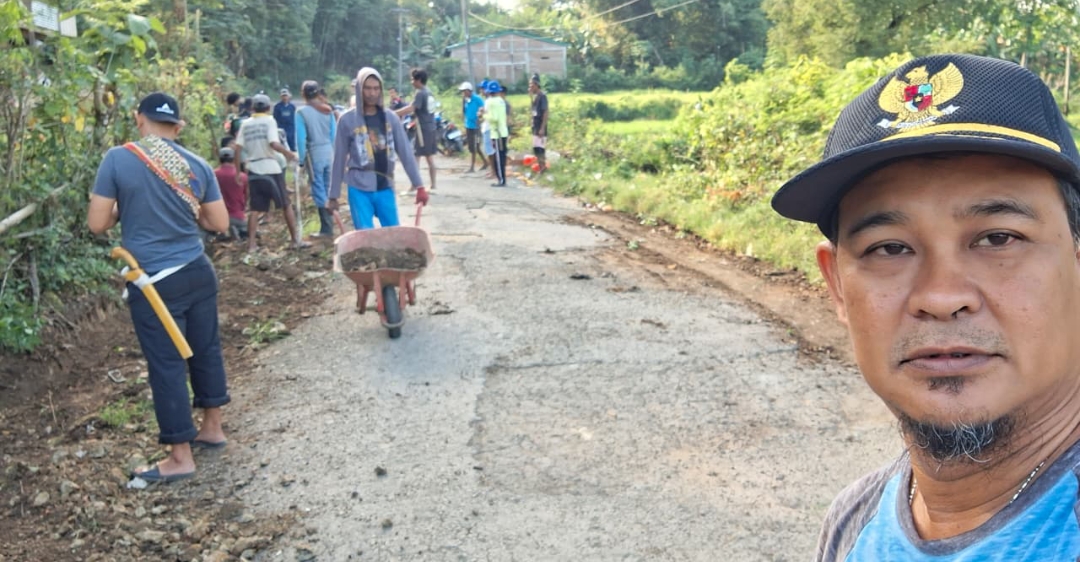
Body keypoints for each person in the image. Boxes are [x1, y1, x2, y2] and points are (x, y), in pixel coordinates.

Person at [771, 53, 1080, 561]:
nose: (941, 297)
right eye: (889, 248)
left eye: (998, 238)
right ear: (838, 286)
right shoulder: (854, 522)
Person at [87, 92, 230, 483]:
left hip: (154, 283)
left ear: (139, 119)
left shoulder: (118, 159)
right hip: (198, 271)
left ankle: (180, 457)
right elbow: (219, 223)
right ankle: (212, 428)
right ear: (178, 127)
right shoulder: (197, 164)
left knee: (167, 365)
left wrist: (126, 206)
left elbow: (98, 223)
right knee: (205, 349)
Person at [329, 67, 428, 230]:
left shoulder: (391, 118)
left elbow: (406, 153)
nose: (372, 93)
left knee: (393, 234)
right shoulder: (347, 120)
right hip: (359, 186)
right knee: (365, 236)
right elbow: (339, 159)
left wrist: (419, 186)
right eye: (367, 88)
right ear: (359, 89)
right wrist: (333, 195)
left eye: (376, 88)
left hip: (385, 186)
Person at [233, 93, 307, 252]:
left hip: (253, 168)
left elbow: (237, 148)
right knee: (286, 204)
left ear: (253, 108)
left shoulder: (245, 124)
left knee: (254, 209)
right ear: (268, 108)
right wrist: (289, 154)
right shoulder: (269, 121)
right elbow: (273, 143)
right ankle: (295, 240)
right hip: (271, 168)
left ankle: (251, 245)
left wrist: (238, 172)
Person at [295, 80, 337, 237]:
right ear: (318, 93)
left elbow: (301, 139)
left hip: (314, 154)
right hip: (329, 153)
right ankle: (331, 225)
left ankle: (326, 228)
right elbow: (334, 135)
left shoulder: (301, 113)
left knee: (318, 190)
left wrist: (301, 160)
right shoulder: (327, 110)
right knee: (327, 188)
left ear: (303, 94)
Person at [395, 68, 438, 191]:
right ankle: (432, 185)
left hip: (422, 129)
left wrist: (393, 113)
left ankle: (415, 185)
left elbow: (411, 108)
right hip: (430, 127)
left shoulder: (420, 93)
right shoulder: (429, 92)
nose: (411, 82)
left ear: (418, 80)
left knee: (417, 156)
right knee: (428, 157)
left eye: (412, 79)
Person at [214, 146, 248, 240]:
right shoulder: (242, 176)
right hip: (238, 217)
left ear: (220, 159)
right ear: (234, 159)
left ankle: (226, 231)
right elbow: (246, 196)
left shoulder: (213, 175)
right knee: (243, 230)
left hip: (219, 218)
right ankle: (238, 230)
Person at [483, 80, 509, 187]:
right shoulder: (501, 101)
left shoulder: (490, 102)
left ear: (489, 92)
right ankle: (502, 178)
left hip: (496, 133)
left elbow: (494, 118)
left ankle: (501, 179)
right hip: (503, 131)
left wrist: (483, 115)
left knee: (498, 158)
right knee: (502, 156)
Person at [458, 81, 486, 173]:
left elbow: (484, 109)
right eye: (463, 91)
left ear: (469, 90)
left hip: (477, 126)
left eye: (464, 91)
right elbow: (464, 112)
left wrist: (480, 119)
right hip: (469, 125)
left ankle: (474, 166)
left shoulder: (477, 99)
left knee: (476, 146)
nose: (463, 93)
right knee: (471, 147)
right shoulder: (465, 100)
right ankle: (483, 163)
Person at [529, 75, 549, 171]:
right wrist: (530, 98)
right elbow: (533, 110)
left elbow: (545, 112)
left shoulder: (542, 96)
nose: (530, 87)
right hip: (535, 126)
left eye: (532, 85)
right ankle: (541, 167)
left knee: (540, 148)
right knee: (536, 148)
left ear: (537, 85)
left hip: (540, 126)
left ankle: (543, 167)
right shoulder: (535, 97)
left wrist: (542, 128)